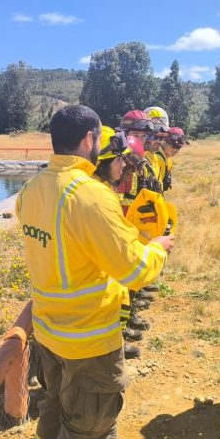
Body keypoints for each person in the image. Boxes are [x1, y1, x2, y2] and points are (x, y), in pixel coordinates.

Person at [16, 105, 173, 439]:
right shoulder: (89, 195)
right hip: (88, 340)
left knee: (54, 408)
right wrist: (157, 248)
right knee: (87, 430)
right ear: (89, 139)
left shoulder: (31, 188)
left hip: (49, 332)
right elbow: (135, 270)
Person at [92, 126, 144, 360]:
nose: (124, 166)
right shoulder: (98, 196)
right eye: (119, 160)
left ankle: (117, 342)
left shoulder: (99, 190)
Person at [158, 127, 187, 193]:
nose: (175, 150)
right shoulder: (157, 159)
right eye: (172, 146)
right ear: (164, 142)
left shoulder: (169, 160)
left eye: (178, 147)